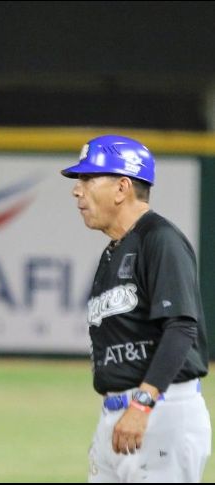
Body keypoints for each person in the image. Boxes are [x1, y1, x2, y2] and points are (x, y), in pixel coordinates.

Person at [61, 135, 211, 482]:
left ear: (121, 188)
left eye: (88, 178)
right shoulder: (114, 251)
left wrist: (143, 403)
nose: (77, 190)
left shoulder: (160, 239)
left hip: (160, 412)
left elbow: (181, 328)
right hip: (120, 413)